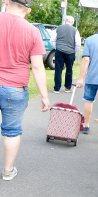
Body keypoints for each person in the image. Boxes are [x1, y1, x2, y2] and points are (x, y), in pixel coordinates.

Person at [0, 0, 50, 180]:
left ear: (6, 1)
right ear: (28, 10)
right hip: (15, 88)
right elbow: (37, 67)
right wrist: (44, 96)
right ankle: (7, 171)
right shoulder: (32, 31)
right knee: (11, 131)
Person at [51, 15, 81, 94]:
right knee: (69, 70)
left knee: (58, 69)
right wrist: (74, 51)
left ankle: (56, 88)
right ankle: (67, 88)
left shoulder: (58, 28)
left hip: (59, 51)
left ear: (65, 21)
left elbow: (52, 40)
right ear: (72, 22)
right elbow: (78, 43)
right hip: (70, 52)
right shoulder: (75, 30)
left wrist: (57, 48)